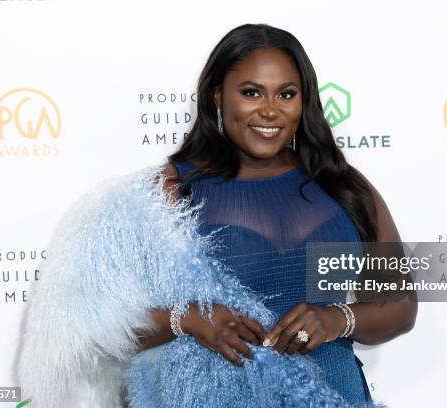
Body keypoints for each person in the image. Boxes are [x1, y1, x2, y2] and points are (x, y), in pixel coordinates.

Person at [133, 23, 417, 405]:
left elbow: (400, 308)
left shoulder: (343, 186)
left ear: (304, 101)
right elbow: (107, 329)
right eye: (251, 92)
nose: (269, 110)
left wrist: (336, 319)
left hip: (335, 394)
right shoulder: (173, 189)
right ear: (218, 95)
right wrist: (190, 319)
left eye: (286, 94)